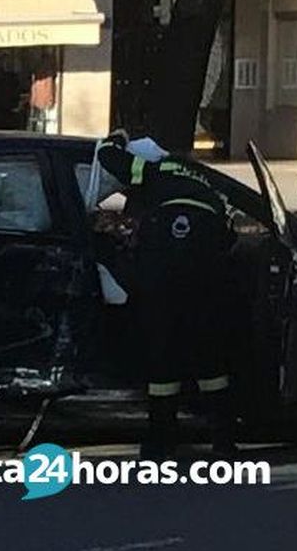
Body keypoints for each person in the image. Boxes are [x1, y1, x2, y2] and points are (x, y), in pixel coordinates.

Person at [96, 129, 237, 460]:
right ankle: (224, 440)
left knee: (162, 361)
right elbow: (229, 241)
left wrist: (116, 137)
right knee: (210, 362)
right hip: (205, 283)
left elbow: (108, 157)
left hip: (165, 281)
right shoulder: (204, 181)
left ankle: (160, 444)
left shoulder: (153, 170)